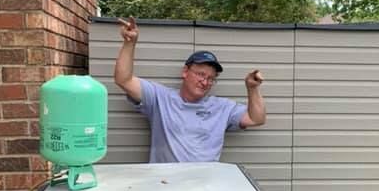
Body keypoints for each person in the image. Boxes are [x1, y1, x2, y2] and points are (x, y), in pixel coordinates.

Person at [114, 16, 266, 163]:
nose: (205, 81)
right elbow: (124, 80)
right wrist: (130, 43)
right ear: (185, 72)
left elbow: (256, 119)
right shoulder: (160, 98)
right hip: (165, 183)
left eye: (211, 78)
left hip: (205, 184)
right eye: (201, 74)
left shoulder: (222, 108)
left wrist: (252, 88)